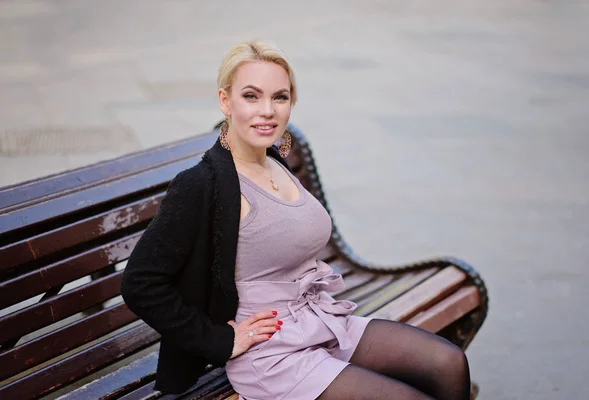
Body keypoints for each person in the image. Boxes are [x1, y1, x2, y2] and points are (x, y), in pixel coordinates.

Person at [121, 39, 471, 400]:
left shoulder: (274, 159)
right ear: (226, 101)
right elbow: (140, 283)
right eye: (252, 96)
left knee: (449, 364)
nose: (268, 111)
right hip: (271, 353)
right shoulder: (202, 185)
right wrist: (219, 340)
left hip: (320, 321)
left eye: (281, 97)